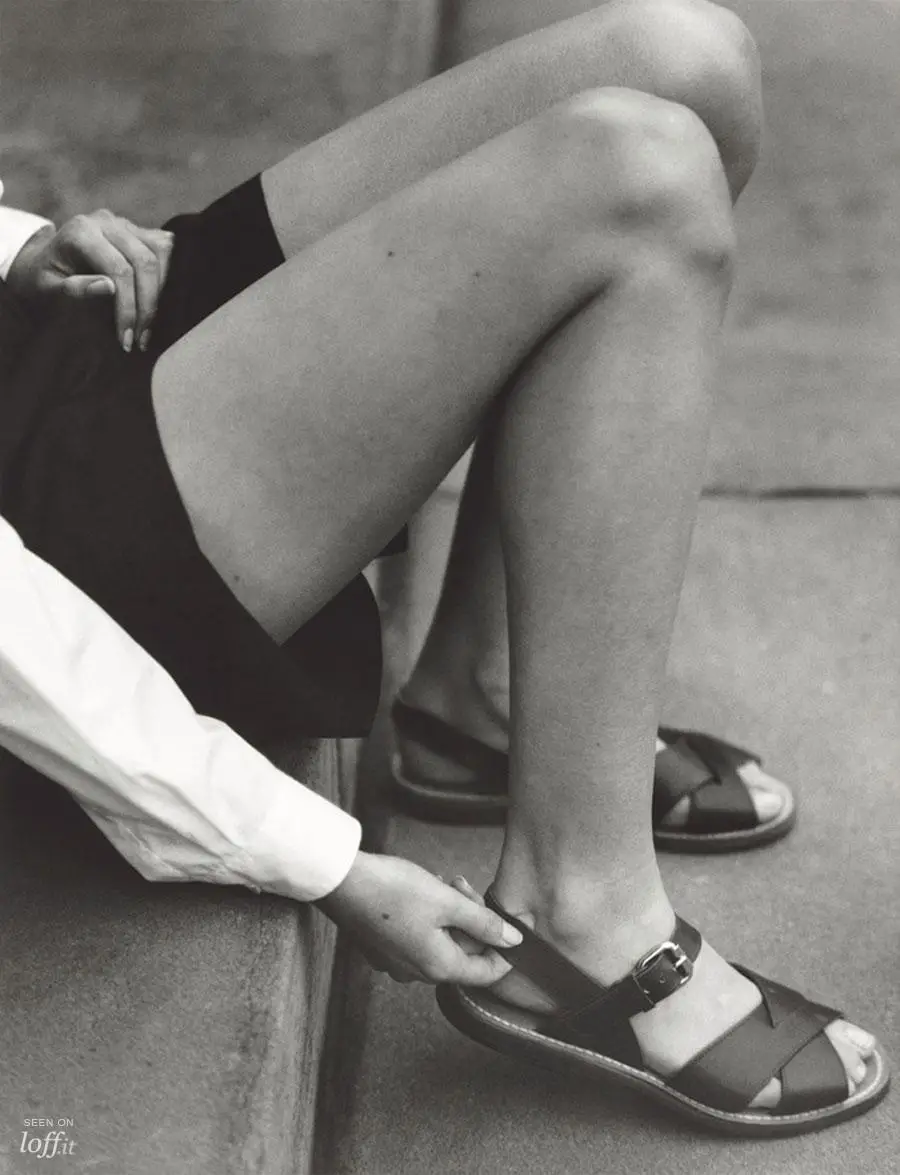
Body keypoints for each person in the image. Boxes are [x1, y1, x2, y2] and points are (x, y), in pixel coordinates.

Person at [0, 0, 887, 1136]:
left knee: (691, 64)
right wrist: (316, 857)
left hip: (44, 343)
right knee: (641, 181)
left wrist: (16, 245)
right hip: (52, 549)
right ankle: (583, 911)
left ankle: (484, 693)